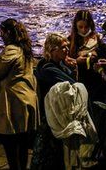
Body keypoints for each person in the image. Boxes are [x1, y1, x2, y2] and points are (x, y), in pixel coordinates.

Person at [0, 18, 38, 170]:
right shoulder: (25, 50)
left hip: (13, 102)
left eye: (2, 32)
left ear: (8, 33)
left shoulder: (11, 50)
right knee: (22, 144)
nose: (1, 36)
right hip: (26, 99)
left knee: (10, 142)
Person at [31, 33, 76, 170]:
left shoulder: (57, 64)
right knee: (51, 153)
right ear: (53, 50)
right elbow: (73, 84)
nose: (67, 50)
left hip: (56, 113)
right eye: (63, 48)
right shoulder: (49, 69)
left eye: (67, 47)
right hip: (52, 116)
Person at [68, 10, 106, 107]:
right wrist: (77, 61)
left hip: (97, 82)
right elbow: (66, 60)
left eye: (86, 27)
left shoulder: (98, 39)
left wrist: (96, 54)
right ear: (76, 26)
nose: (83, 30)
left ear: (91, 25)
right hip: (80, 81)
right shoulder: (71, 41)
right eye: (80, 27)